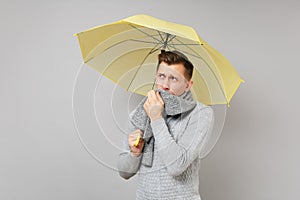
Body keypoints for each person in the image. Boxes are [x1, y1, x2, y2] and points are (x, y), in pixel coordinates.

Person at [117, 51, 214, 200]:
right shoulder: (140, 113)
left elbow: (177, 166)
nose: (165, 85)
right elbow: (124, 172)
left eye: (173, 79)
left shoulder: (200, 114)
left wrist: (156, 118)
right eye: (161, 76)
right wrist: (134, 153)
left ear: (188, 85)